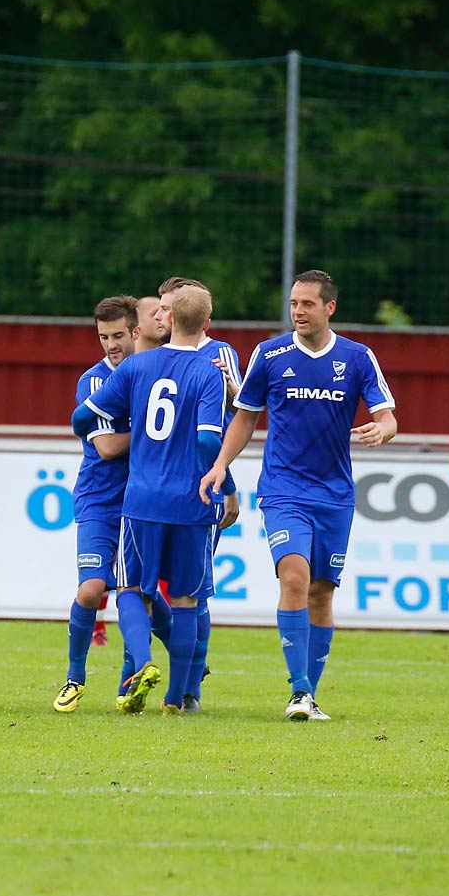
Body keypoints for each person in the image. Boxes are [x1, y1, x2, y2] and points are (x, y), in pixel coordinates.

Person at [199, 270, 396, 721]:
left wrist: (381, 431)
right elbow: (246, 416)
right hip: (283, 488)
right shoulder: (269, 354)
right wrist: (221, 464)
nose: (298, 312)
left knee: (322, 593)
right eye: (293, 304)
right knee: (294, 579)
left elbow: (387, 415)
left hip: (335, 494)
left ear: (330, 307)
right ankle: (299, 691)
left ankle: (310, 693)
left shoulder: (358, 357)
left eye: (307, 304)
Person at [73, 285, 225, 715]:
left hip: (141, 500)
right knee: (187, 600)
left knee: (131, 589)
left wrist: (99, 423)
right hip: (192, 502)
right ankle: (178, 698)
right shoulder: (208, 371)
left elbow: (83, 416)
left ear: (168, 319)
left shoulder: (138, 368)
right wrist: (225, 485)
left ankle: (141, 663)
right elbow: (209, 439)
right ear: (207, 325)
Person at [53, 296, 145, 713]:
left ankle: (132, 681)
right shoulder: (95, 381)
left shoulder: (153, 373)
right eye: (103, 337)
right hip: (99, 501)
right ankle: (75, 677)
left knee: (139, 594)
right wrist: (158, 435)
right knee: (91, 590)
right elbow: (106, 447)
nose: (111, 345)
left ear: (136, 331)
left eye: (118, 335)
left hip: (143, 503)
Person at [157, 276, 242, 710]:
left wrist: (223, 388)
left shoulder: (219, 354)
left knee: (193, 588)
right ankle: (168, 666)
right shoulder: (153, 355)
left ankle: (190, 686)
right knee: (142, 587)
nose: (161, 316)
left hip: (201, 486)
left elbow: (242, 406)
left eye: (167, 308)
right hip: (153, 485)